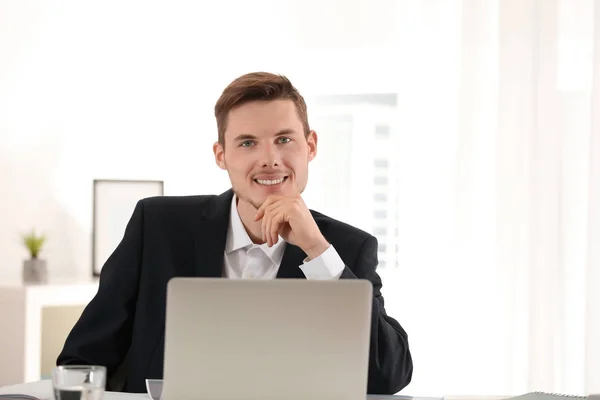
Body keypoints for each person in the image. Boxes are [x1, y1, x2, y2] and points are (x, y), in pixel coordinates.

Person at [57, 72, 413, 395]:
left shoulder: (346, 248)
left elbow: (389, 375)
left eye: (284, 139)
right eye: (247, 143)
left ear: (311, 146)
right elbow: (81, 361)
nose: (270, 159)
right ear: (221, 155)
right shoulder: (158, 226)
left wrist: (317, 251)